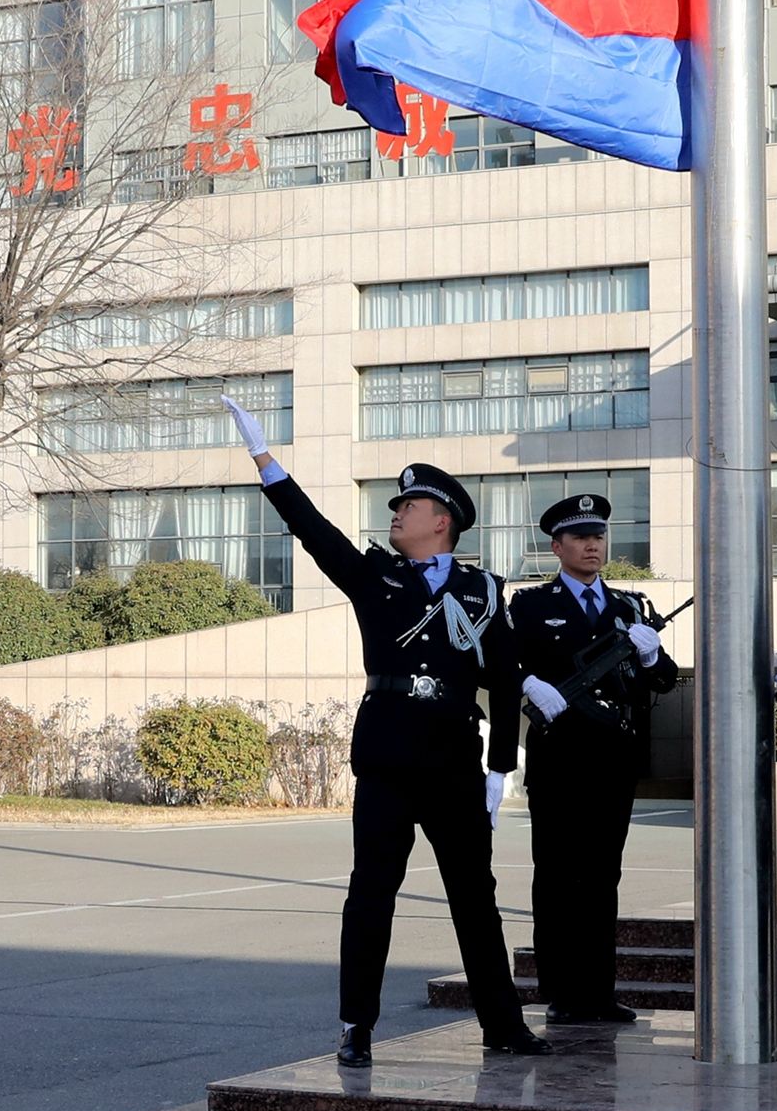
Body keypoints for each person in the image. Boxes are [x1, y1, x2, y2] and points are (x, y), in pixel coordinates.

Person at [223, 394, 545, 1066]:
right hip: (389, 753)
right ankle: (355, 1026)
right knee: (371, 890)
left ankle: (503, 1023)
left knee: (474, 899)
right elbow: (314, 531)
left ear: (441, 521)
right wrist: (265, 461)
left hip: (456, 758)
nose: (396, 513)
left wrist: (498, 767)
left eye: (409, 506)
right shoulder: (375, 576)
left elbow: (507, 679)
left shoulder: (484, 591)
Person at [507, 492, 679, 1025]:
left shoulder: (628, 608)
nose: (592, 545)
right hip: (559, 759)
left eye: (599, 536)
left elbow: (665, 679)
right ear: (557, 546)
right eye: (580, 537)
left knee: (603, 875)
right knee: (557, 873)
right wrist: (528, 684)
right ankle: (561, 990)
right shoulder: (531, 606)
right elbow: (500, 665)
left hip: (612, 760)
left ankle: (598, 991)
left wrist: (650, 653)